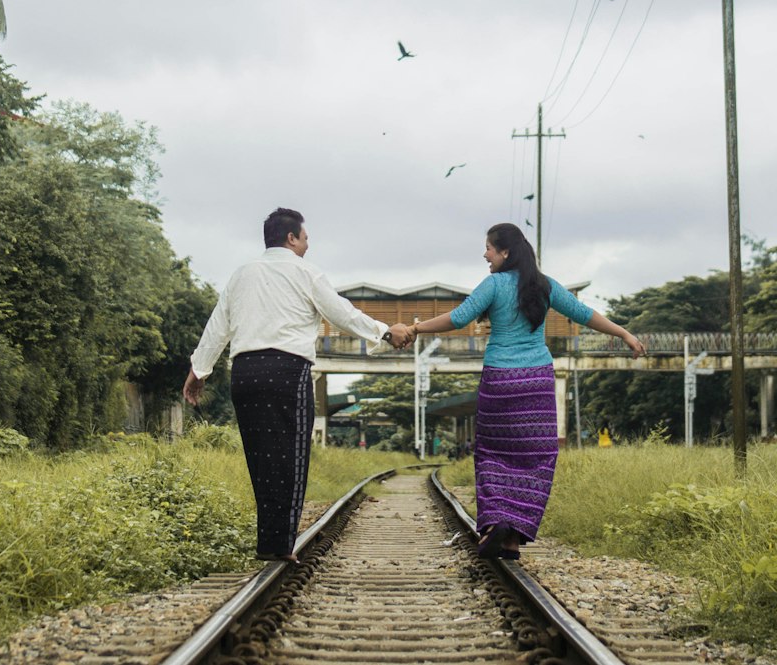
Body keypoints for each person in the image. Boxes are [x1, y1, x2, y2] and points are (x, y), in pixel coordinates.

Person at [183, 208, 411, 562]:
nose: (307, 244)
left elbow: (218, 326)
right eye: (305, 238)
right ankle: (278, 547)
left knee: (260, 458)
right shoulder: (306, 272)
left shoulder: (241, 274)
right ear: (291, 237)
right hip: (286, 370)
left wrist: (199, 371)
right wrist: (384, 331)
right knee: (290, 457)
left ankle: (268, 543)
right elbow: (341, 313)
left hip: (244, 372)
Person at [407, 223, 645, 559]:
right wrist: (625, 334)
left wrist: (415, 328)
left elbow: (459, 318)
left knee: (492, 453)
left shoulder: (493, 284)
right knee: (536, 457)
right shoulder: (544, 286)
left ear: (504, 252)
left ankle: (497, 523)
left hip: (500, 380)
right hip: (537, 382)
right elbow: (584, 313)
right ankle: (513, 536)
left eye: (488, 248)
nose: (485, 254)